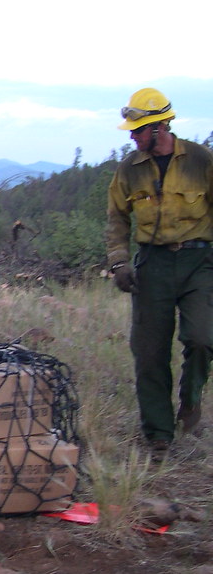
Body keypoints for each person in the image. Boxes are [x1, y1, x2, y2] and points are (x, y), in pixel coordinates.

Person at [106, 87, 213, 461]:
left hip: (200, 261)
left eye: (137, 130)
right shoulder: (129, 169)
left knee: (201, 338)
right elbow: (117, 218)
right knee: (149, 351)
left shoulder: (201, 160)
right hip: (153, 264)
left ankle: (191, 397)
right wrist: (119, 262)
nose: (132, 137)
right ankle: (159, 434)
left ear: (159, 127)